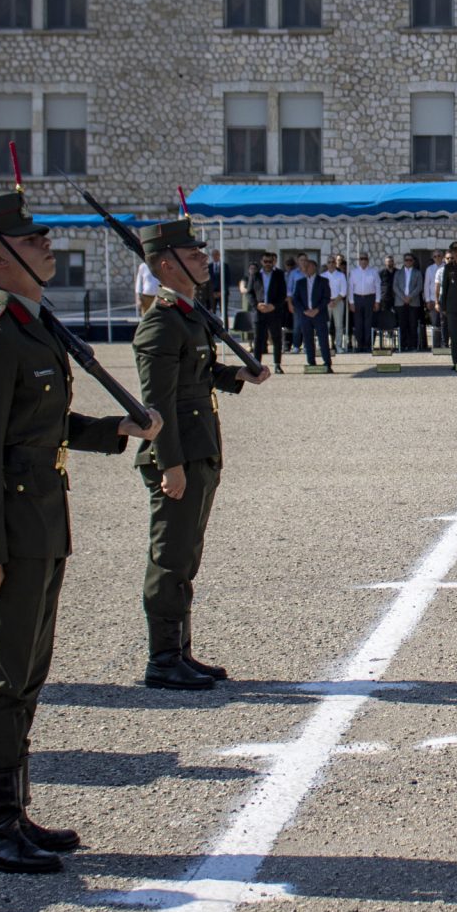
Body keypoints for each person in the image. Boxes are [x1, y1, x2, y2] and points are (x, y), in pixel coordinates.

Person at [0, 191, 159, 873]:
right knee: (2, 675)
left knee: (29, 673)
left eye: (41, 237)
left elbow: (45, 429)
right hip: (10, 531)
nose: (46, 246)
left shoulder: (33, 326)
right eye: (30, 240)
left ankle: (16, 811)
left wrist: (115, 430)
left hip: (43, 523)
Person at [132, 217, 269, 692]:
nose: (204, 260)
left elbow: (198, 372)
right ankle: (163, 658)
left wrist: (236, 377)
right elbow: (158, 402)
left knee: (186, 554)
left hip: (199, 450)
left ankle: (181, 651)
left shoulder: (188, 315)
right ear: (167, 265)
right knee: (169, 558)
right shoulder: (161, 323)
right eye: (193, 256)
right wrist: (168, 462)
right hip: (179, 457)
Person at [243, 252, 288, 373]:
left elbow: (283, 294)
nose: (268, 264)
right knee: (258, 339)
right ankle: (256, 365)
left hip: (274, 311)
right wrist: (257, 305)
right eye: (265, 261)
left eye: (270, 261)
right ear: (262, 262)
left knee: (276, 338)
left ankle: (277, 364)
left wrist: (273, 306)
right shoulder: (255, 275)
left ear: (273, 262)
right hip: (260, 311)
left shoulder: (279, 275)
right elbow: (249, 293)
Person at [294, 255, 333, 369]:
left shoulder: (323, 281)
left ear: (314, 267)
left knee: (323, 340)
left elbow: (326, 297)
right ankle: (311, 362)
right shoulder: (300, 282)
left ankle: (327, 363)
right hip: (305, 316)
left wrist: (317, 309)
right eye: (304, 266)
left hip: (319, 314)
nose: (305, 268)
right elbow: (296, 299)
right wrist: (304, 310)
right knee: (308, 339)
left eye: (308, 266)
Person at [348, 252, 381, 352]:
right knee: (358, 323)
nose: (363, 261)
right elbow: (350, 287)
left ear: (368, 260)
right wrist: (351, 302)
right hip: (357, 299)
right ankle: (359, 345)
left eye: (365, 259)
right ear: (359, 260)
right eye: (361, 259)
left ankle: (367, 345)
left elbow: (378, 287)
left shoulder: (373, 272)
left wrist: (377, 301)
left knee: (368, 323)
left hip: (369, 299)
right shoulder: (354, 272)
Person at [394, 251, 424, 352]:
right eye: (406, 260)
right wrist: (403, 297)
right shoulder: (398, 273)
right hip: (400, 302)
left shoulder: (417, 272)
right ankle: (402, 345)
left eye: (410, 260)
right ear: (404, 261)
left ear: (413, 261)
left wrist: (410, 297)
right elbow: (395, 286)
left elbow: (419, 286)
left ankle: (413, 345)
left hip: (413, 302)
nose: (408, 262)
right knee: (402, 324)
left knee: (413, 324)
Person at [324, 254, 350, 354]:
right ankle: (325, 346)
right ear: (327, 264)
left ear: (335, 264)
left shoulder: (341, 275)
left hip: (338, 302)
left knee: (339, 325)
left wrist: (335, 301)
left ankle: (338, 346)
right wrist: (328, 301)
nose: (331, 264)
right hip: (326, 303)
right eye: (329, 262)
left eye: (333, 262)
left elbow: (343, 290)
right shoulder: (323, 276)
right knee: (326, 325)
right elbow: (321, 291)